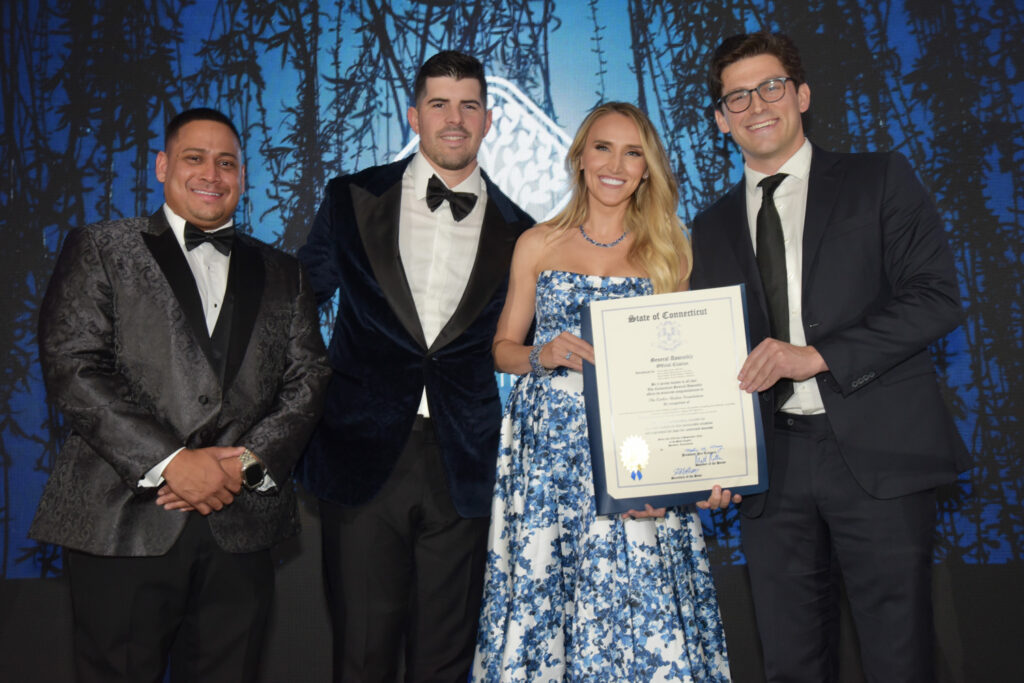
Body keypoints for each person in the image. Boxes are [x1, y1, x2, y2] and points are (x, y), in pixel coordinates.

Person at [691, 32, 971, 682]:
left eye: (771, 86)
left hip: (878, 452)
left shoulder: (878, 178)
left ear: (802, 95)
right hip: (771, 467)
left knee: (899, 656)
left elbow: (935, 299)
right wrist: (706, 458)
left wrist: (817, 355)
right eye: (738, 96)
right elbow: (708, 354)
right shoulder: (709, 226)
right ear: (721, 119)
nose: (757, 105)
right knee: (789, 660)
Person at [30, 107, 331, 682]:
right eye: (195, 158)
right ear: (163, 166)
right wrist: (172, 463)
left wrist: (244, 465)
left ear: (242, 176)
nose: (211, 174)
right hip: (123, 521)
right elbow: (74, 364)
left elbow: (308, 378)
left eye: (226, 163)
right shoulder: (102, 247)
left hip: (241, 524)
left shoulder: (285, 272)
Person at [472, 102, 732, 681]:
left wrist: (673, 479)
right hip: (549, 460)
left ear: (647, 169)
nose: (616, 165)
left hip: (632, 456)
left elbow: (681, 381)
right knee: (548, 606)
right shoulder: (537, 243)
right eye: (603, 148)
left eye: (632, 153)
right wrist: (542, 353)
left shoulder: (670, 252)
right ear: (580, 158)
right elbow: (502, 350)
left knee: (641, 610)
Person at [297, 50, 534, 681]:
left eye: (469, 105)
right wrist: (306, 406)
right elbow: (293, 309)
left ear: (488, 120)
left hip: (465, 465)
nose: (454, 119)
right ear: (414, 115)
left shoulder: (524, 233)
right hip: (361, 454)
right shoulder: (351, 198)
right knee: (362, 657)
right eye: (439, 104)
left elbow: (541, 348)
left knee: (445, 664)